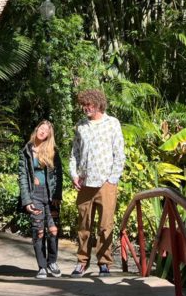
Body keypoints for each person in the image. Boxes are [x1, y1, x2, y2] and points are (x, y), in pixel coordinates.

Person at [68, 89, 125, 278]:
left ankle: (104, 263)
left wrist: (112, 179)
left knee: (105, 225)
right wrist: (74, 175)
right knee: (84, 225)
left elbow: (119, 153)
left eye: (89, 105)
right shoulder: (81, 126)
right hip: (85, 184)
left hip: (106, 183)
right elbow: (74, 153)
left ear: (99, 104)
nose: (85, 108)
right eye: (83, 105)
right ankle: (82, 262)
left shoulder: (112, 124)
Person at [18, 120, 63, 278]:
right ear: (37, 129)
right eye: (41, 128)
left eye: (47, 131)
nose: (43, 131)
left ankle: (52, 261)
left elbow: (59, 175)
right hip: (34, 194)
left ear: (49, 136)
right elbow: (23, 177)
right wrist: (27, 200)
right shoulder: (26, 151)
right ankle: (42, 266)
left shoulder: (53, 151)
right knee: (39, 232)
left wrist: (58, 195)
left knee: (53, 230)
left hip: (51, 195)